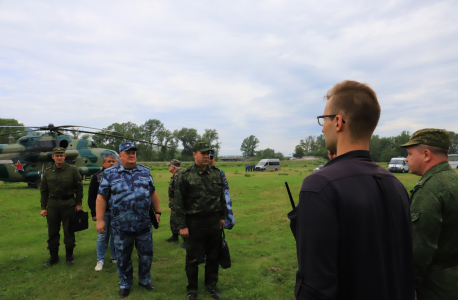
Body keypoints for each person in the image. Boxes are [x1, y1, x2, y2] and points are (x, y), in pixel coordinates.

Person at [289, 80, 415, 299]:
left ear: (338, 121)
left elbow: (315, 287)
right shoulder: (395, 184)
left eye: (324, 119)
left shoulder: (320, 185)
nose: (322, 128)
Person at [96, 142, 161, 298]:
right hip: (121, 225)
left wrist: (157, 211)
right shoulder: (110, 173)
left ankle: (145, 281)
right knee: (123, 257)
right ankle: (125, 284)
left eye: (134, 152)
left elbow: (152, 192)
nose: (132, 155)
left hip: (144, 223)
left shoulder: (145, 171)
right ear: (120, 155)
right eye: (128, 152)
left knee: (146, 255)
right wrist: (100, 220)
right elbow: (101, 197)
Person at [402, 129, 458, 300]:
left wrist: (409, 285)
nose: (406, 159)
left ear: (426, 154)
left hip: (436, 287)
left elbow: (419, 249)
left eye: (410, 154)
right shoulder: (453, 180)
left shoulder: (429, 190)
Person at [174, 142, 227, 300]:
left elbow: (221, 198)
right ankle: (192, 289)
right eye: (202, 153)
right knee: (192, 259)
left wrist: (222, 217)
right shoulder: (185, 175)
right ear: (194, 154)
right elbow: (178, 203)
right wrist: (182, 226)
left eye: (208, 153)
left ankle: (211, 286)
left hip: (213, 222)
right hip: (194, 222)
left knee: (213, 257)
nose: (206, 156)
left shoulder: (216, 173)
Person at [40, 147, 83, 266]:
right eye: (57, 155)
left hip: (69, 204)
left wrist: (78, 204)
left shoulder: (72, 170)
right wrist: (43, 207)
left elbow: (79, 188)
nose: (59, 158)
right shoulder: (48, 172)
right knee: (52, 231)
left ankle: (69, 256)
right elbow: (44, 191)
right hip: (53, 205)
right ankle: (53, 257)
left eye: (61, 155)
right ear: (52, 157)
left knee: (69, 230)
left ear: (64, 157)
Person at [88, 153, 118, 271]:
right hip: (103, 212)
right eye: (109, 161)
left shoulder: (120, 175)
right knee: (101, 236)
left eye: (113, 161)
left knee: (115, 236)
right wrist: (94, 214)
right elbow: (91, 197)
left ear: (116, 162)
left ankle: (114, 257)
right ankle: (100, 260)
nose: (111, 163)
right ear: (103, 163)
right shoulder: (97, 177)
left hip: (116, 211)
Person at [164, 159, 185, 247]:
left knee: (181, 221)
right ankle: (175, 236)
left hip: (178, 203)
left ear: (173, 167)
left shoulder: (178, 176)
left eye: (169, 165)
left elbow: (179, 192)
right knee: (173, 220)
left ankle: (186, 240)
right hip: (174, 203)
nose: (168, 167)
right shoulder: (175, 175)